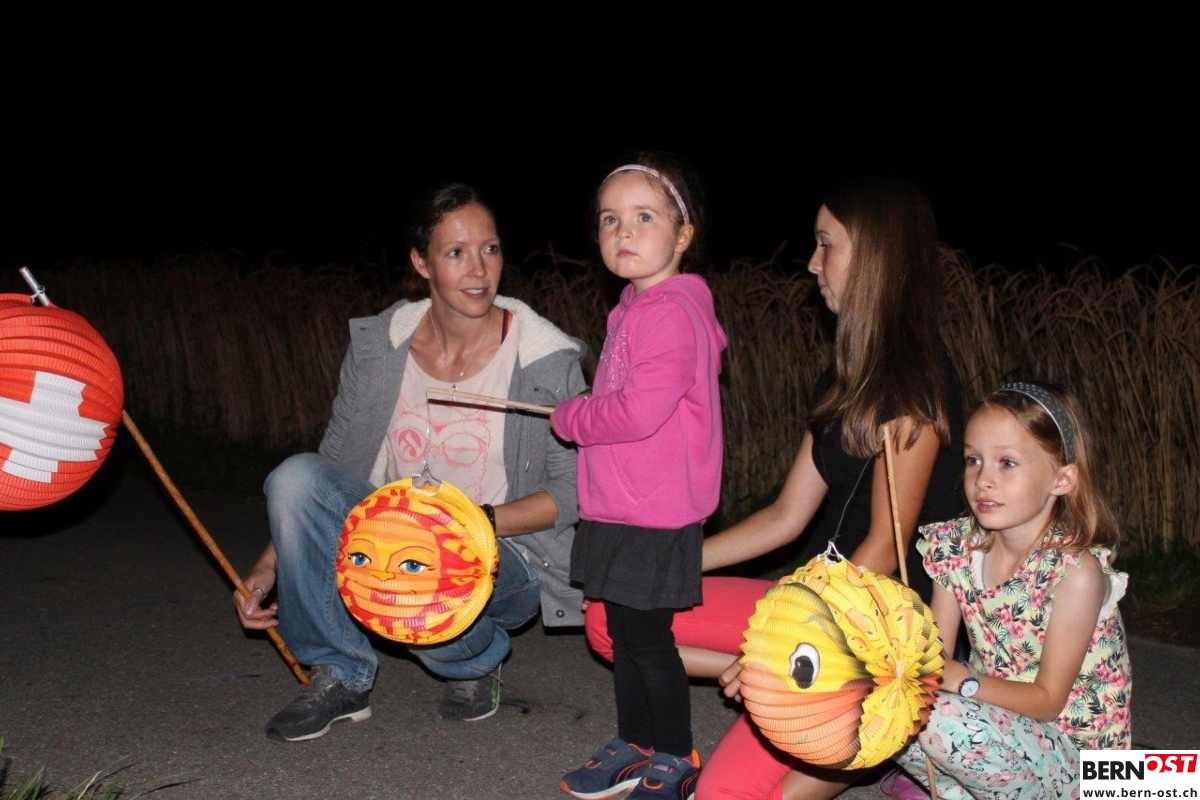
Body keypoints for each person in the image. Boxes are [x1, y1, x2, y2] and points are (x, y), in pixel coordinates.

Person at [587, 174, 966, 799]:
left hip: (873, 628)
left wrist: (783, 644)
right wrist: (668, 561)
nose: (812, 263)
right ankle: (790, 693)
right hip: (811, 598)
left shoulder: (915, 385)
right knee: (614, 613)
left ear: (875, 256)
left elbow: (883, 548)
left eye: (826, 245)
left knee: (723, 796)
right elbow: (786, 516)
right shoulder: (843, 376)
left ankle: (877, 723)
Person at [232, 182, 588, 742]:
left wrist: (469, 523)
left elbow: (574, 492)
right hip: (392, 539)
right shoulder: (381, 348)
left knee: (426, 579)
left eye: (490, 249)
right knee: (296, 476)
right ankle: (339, 674)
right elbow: (335, 462)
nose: (479, 270)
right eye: (455, 252)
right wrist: (267, 567)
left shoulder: (545, 359)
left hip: (507, 553)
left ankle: (474, 662)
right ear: (421, 262)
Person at [552, 152, 728, 800]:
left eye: (644, 217)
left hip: (654, 512)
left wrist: (574, 416)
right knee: (625, 638)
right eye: (610, 219)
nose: (623, 231)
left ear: (683, 235)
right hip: (621, 507)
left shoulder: (673, 313)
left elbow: (636, 412)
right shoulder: (633, 308)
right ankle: (636, 743)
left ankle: (676, 755)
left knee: (649, 642)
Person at [886, 381, 1131, 798]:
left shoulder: (1076, 574)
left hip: (1086, 764)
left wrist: (963, 681)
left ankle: (1149, 784)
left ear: (1061, 479)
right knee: (887, 704)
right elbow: (934, 652)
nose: (983, 479)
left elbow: (1048, 701)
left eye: (1007, 463)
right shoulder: (955, 547)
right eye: (973, 460)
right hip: (1003, 726)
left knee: (940, 718)